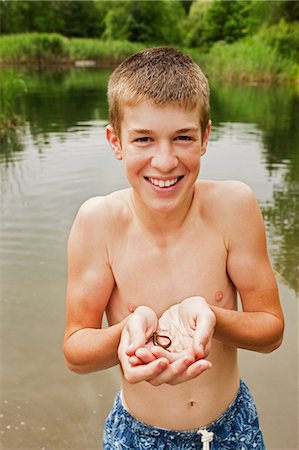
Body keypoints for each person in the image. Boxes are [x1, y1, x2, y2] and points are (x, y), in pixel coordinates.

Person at [63, 47, 284, 449]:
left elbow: (270, 330)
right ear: (116, 141)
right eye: (143, 139)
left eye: (182, 137)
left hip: (231, 428)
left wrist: (214, 317)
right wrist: (125, 335)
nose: (164, 161)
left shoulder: (234, 207)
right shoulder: (98, 223)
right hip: (136, 435)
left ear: (205, 137)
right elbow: (76, 350)